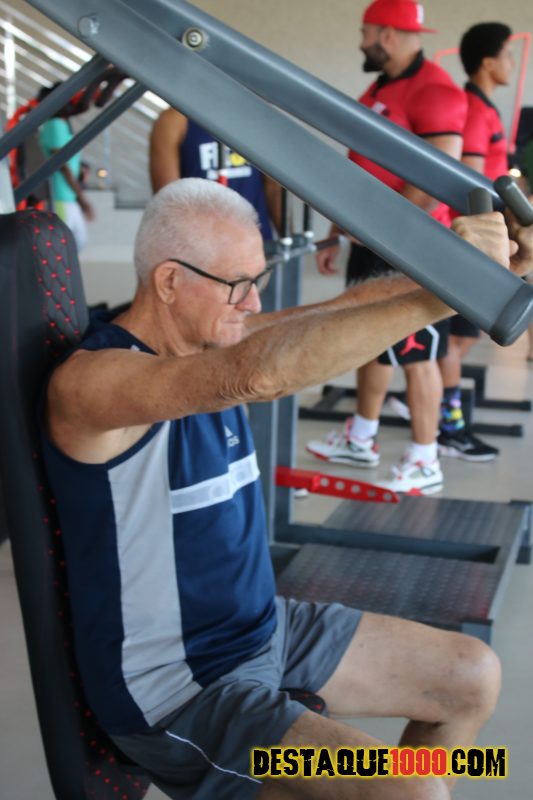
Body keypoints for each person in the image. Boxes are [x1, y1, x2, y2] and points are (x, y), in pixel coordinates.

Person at [40, 175, 533, 799]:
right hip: (181, 689)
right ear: (169, 282)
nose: (252, 302)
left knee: (473, 674)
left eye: (259, 279)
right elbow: (257, 375)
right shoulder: (96, 384)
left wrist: (484, 278)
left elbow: (333, 313)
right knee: (411, 791)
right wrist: (448, 293)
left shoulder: (211, 333)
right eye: (238, 284)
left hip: (264, 629)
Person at [306, 0, 467, 495]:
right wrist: (337, 229)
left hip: (413, 247)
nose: (361, 42)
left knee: (417, 354)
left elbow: (438, 178)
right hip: (371, 240)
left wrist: (384, 230)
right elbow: (358, 166)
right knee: (367, 339)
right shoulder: (380, 88)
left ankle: (425, 458)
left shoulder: (436, 91)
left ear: (387, 35)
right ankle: (361, 436)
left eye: (365, 33)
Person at [438, 23, 515, 462]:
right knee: (455, 339)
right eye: (507, 55)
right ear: (487, 62)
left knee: (467, 335)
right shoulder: (472, 109)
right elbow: (469, 183)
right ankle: (449, 425)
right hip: (473, 243)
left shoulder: (484, 106)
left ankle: (432, 396)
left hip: (488, 237)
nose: (512, 64)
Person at [149, 107, 281, 238]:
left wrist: (289, 242)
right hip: (200, 243)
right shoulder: (174, 120)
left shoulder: (258, 118)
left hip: (255, 241)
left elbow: (274, 189)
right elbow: (168, 200)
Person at [38, 84, 95, 251]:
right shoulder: (54, 124)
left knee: (78, 242)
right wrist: (82, 199)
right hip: (60, 196)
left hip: (68, 197)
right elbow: (62, 166)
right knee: (62, 246)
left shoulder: (63, 125)